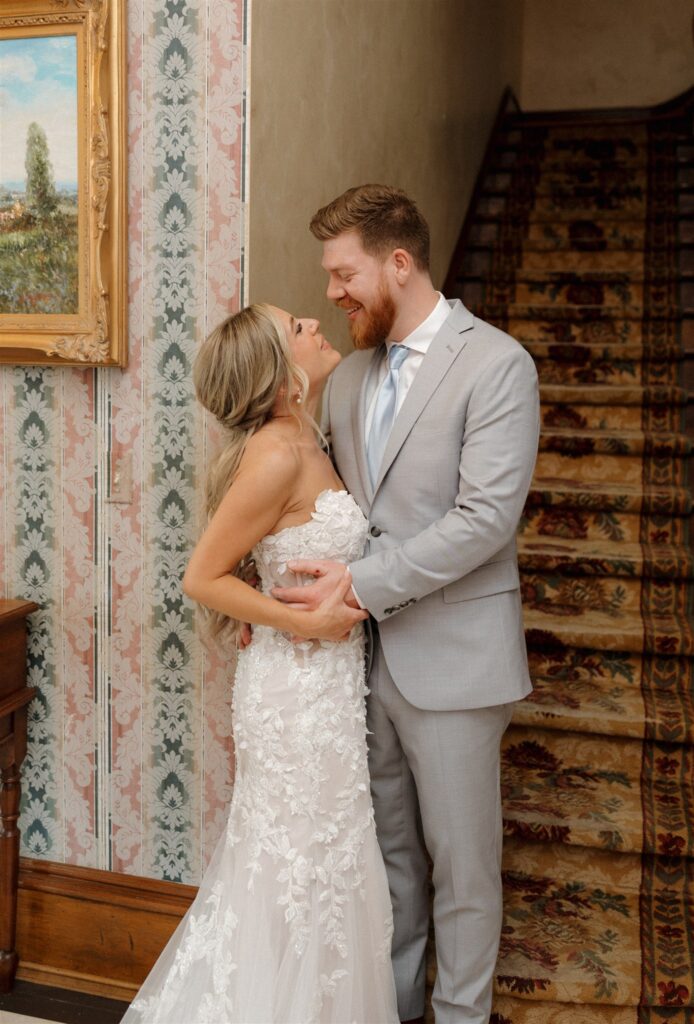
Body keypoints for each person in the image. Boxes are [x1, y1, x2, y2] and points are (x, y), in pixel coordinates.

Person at [271, 184, 540, 1024]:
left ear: (398, 263)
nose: (333, 293)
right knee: (388, 862)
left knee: (463, 870)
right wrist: (264, 591)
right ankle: (391, 1009)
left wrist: (360, 584)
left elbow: (484, 521)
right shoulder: (349, 377)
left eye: (344, 274)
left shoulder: (497, 365)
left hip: (457, 661)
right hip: (361, 663)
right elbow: (327, 505)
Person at [120, 303, 399, 1024]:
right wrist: (305, 621)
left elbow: (272, 542)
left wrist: (273, 587)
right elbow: (200, 577)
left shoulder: (308, 433)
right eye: (296, 327)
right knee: (298, 869)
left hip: (327, 689)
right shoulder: (277, 453)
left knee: (326, 868)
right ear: (280, 376)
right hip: (294, 695)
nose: (313, 322)